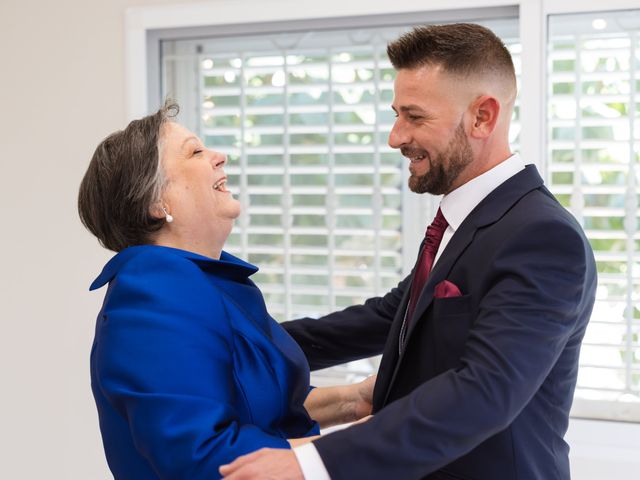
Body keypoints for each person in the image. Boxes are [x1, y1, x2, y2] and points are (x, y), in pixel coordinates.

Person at [220, 23, 597, 480]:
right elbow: (388, 319)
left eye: (415, 117)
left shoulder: (541, 236)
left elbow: (484, 392)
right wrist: (240, 348)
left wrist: (311, 463)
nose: (395, 137)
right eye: (397, 114)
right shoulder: (463, 223)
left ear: (483, 117)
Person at [77, 101, 375, 480]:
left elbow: (261, 407)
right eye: (196, 152)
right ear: (157, 203)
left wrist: (354, 400)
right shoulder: (154, 293)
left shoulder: (206, 283)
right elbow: (207, 458)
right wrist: (367, 443)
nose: (220, 157)